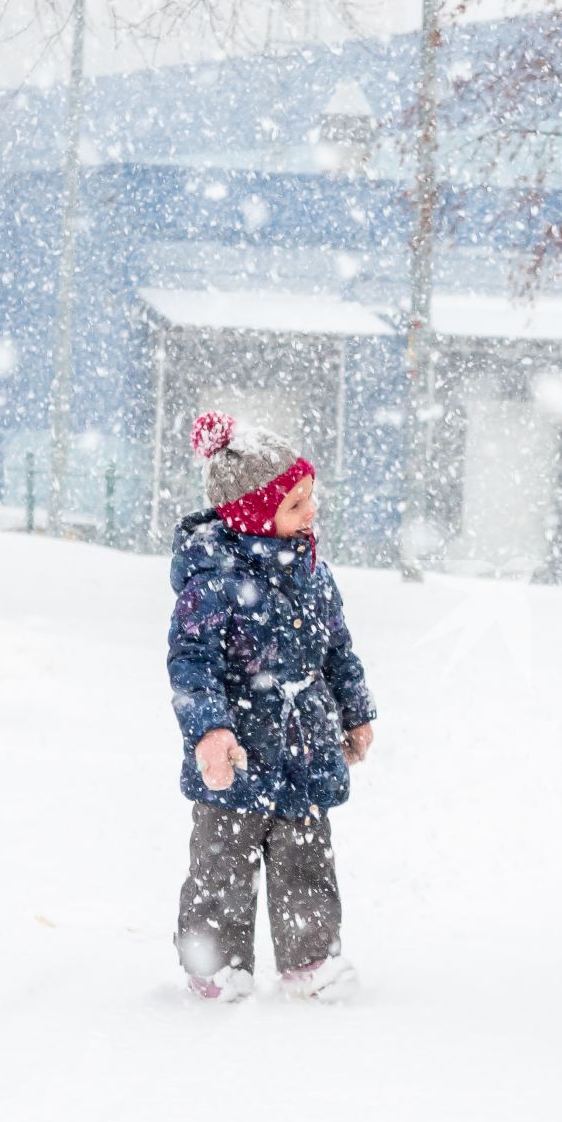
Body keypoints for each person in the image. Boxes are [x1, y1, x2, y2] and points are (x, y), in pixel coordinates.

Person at [167, 411, 376, 1002]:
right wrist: (209, 731)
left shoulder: (314, 573)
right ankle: (216, 966)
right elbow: (192, 665)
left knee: (306, 858)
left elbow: (339, 650)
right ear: (256, 516)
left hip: (305, 742)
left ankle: (311, 962)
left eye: (310, 497)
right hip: (238, 748)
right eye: (295, 504)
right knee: (221, 864)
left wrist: (355, 711)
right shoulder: (213, 580)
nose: (311, 512)